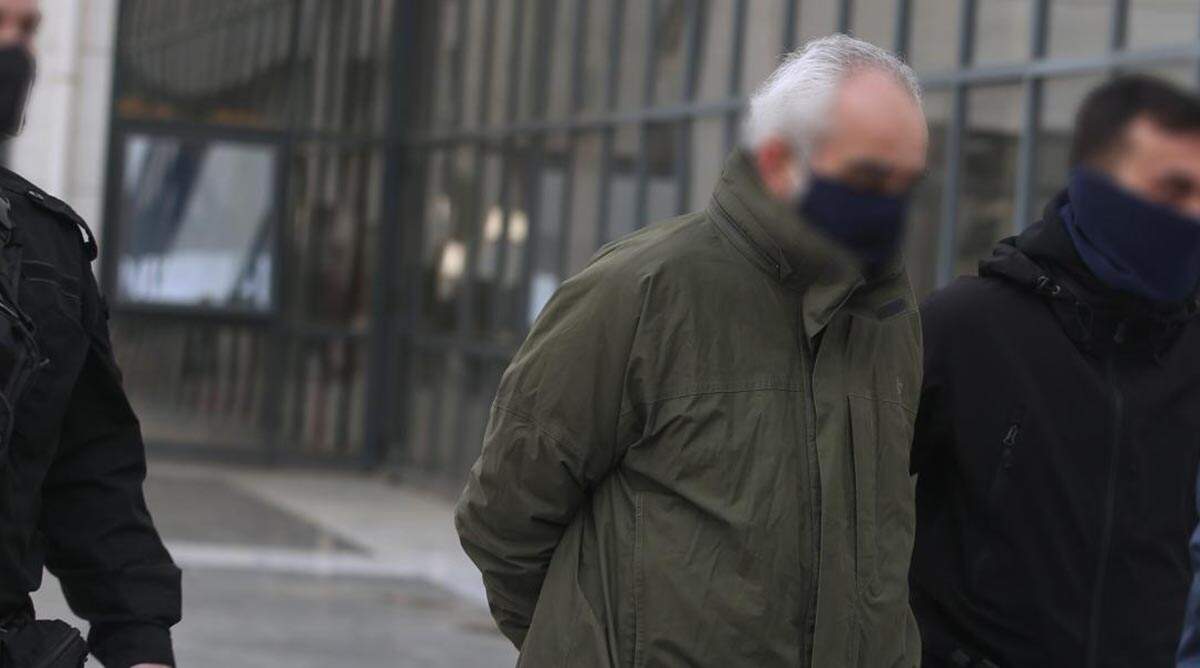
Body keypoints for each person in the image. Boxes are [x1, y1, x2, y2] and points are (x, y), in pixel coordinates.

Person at [455, 35, 928, 667]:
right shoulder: (640, 290)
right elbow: (504, 517)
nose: (890, 203)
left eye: (905, 181)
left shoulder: (888, 317)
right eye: (869, 175)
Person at [910, 75, 1200, 668]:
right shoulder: (966, 328)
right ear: (1096, 187)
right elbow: (848, 525)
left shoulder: (1191, 351)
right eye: (1173, 189)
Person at [0, 1, 180, 666]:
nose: (16, 50)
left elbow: (90, 465)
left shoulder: (43, 243)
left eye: (27, 30)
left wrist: (140, 641)